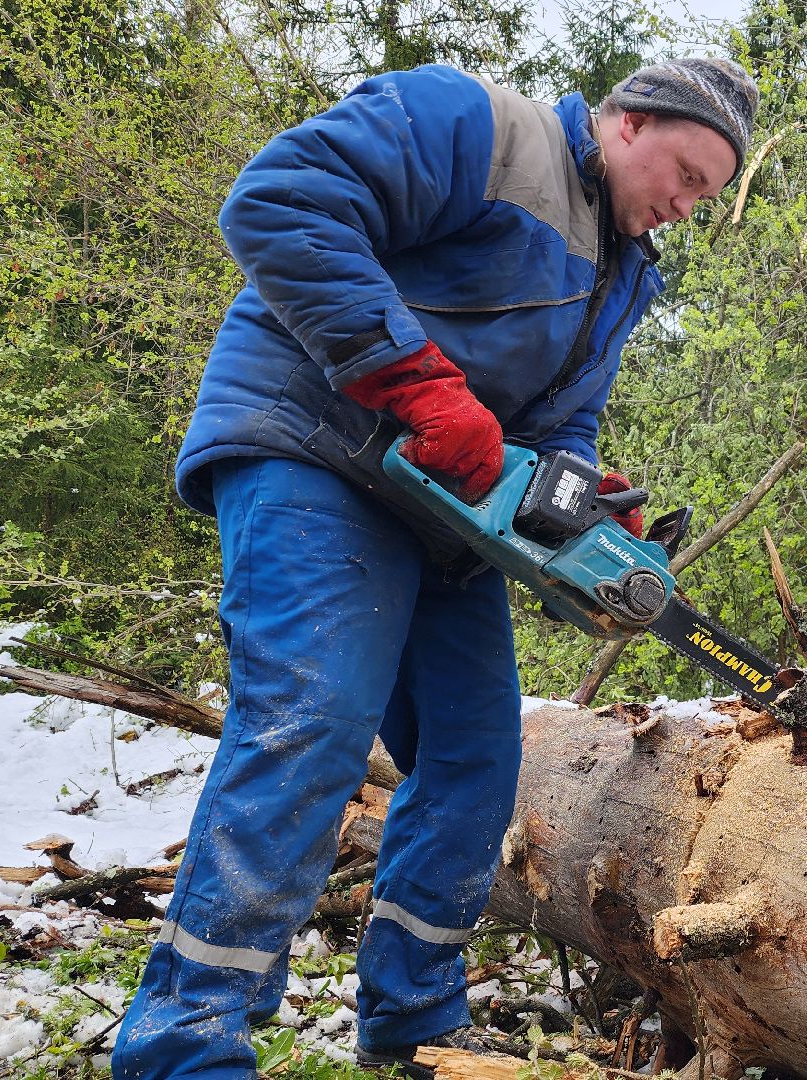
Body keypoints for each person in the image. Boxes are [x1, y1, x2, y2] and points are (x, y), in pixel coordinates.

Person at [110, 57, 758, 1080]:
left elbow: (564, 415)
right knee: (312, 720)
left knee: (472, 756)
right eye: (684, 172)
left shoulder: (624, 271)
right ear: (629, 121)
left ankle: (413, 1019)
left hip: (442, 509)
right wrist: (417, 383)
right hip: (314, 446)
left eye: (706, 197)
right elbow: (281, 202)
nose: (684, 204)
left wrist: (576, 496)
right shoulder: (480, 127)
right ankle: (186, 1041)